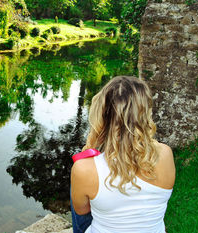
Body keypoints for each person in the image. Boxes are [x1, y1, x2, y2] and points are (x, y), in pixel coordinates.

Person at [70, 76, 175, 233]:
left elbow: (82, 211)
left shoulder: (84, 169)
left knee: (79, 190)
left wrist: (91, 147)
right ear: (145, 113)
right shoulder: (165, 154)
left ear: (103, 116)